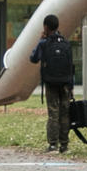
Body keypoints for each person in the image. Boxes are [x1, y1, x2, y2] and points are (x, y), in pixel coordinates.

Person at [33, 13, 78, 153]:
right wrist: (71, 86)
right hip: (65, 83)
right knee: (64, 113)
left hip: (51, 82)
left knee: (53, 113)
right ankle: (64, 145)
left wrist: (40, 40)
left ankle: (53, 144)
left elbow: (33, 58)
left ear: (46, 27)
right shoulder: (65, 43)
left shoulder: (44, 43)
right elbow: (71, 65)